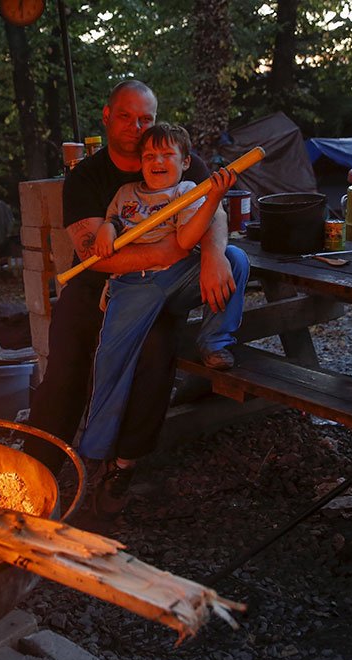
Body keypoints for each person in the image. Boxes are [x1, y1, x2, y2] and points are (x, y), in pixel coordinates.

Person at [25, 80, 239, 515]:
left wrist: (214, 251)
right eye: (126, 116)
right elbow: (95, 257)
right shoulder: (89, 176)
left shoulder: (180, 160)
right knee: (66, 360)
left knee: (156, 351)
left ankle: (121, 468)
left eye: (146, 118)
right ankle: (38, 468)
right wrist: (175, 248)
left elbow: (212, 209)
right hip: (95, 286)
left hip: (159, 286)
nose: (137, 127)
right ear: (107, 116)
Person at [77, 123, 249, 465]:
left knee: (235, 258)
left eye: (168, 154)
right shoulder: (126, 193)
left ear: (185, 162)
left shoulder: (187, 191)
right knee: (110, 360)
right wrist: (107, 230)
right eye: (149, 155)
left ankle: (215, 341)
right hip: (133, 285)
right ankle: (94, 450)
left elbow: (186, 241)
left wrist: (213, 196)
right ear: (140, 162)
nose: (158, 160)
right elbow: (114, 220)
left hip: (178, 279)